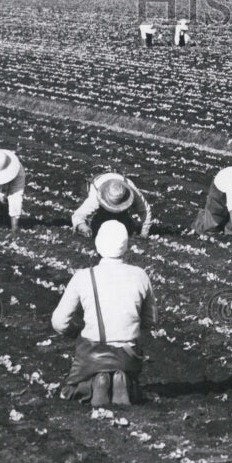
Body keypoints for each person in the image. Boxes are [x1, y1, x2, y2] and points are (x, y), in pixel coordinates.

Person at [52, 222, 157, 406]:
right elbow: (151, 320)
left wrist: (73, 332)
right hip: (128, 355)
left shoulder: (83, 276)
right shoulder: (140, 275)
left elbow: (59, 322)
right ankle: (124, 382)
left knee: (69, 391)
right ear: (125, 246)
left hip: (92, 355)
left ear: (98, 245)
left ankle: (95, 383)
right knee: (135, 383)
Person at [72, 172, 153, 238]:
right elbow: (78, 215)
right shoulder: (95, 196)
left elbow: (145, 210)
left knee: (126, 230)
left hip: (117, 193)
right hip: (93, 185)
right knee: (95, 228)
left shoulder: (130, 190)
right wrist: (82, 226)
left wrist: (144, 233)